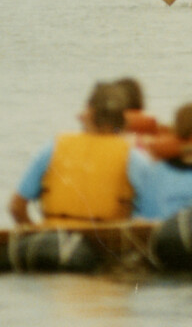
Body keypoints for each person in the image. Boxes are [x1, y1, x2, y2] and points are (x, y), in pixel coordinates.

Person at [9, 81, 147, 226]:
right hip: (105, 238)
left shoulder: (54, 147)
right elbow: (152, 213)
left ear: (89, 113)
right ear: (124, 120)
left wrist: (34, 232)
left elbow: (16, 207)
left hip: (53, 235)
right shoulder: (133, 157)